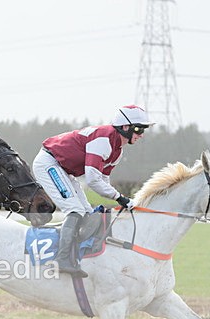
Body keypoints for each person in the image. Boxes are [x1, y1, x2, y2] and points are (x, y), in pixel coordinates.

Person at [32, 105, 154, 278]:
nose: (141, 134)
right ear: (125, 127)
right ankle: (62, 259)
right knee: (75, 210)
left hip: (63, 169)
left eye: (143, 130)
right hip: (49, 164)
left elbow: (103, 180)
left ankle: (79, 255)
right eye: (138, 129)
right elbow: (92, 179)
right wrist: (120, 198)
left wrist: (118, 197)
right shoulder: (103, 140)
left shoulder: (117, 151)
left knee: (88, 212)